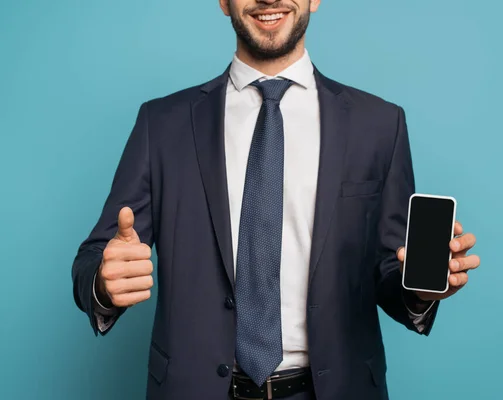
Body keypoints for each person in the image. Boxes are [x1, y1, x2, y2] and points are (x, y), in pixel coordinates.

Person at [71, 0, 481, 399]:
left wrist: (421, 290)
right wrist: (104, 284)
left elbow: (391, 271)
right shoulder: (161, 124)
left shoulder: (380, 124)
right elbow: (94, 256)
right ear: (223, 2)